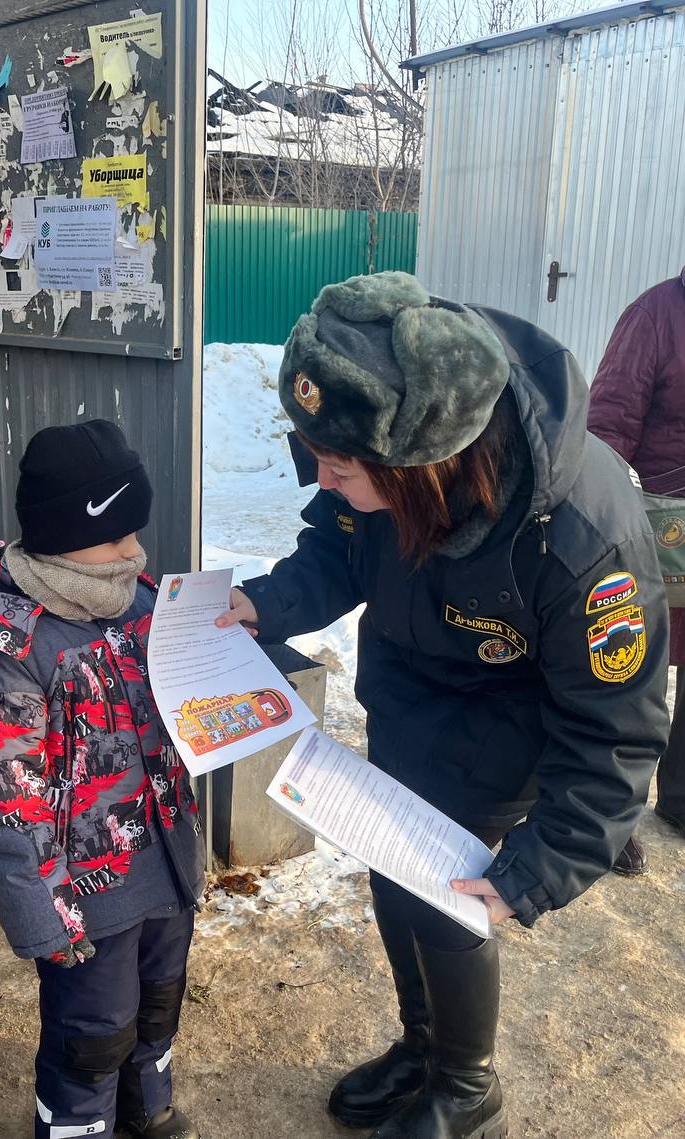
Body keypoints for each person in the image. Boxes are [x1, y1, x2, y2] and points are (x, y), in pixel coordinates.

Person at [217, 273, 669, 1139]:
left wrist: (533, 873)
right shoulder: (385, 446)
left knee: (447, 893)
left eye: (339, 469)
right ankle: (422, 1044)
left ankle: (466, 1087)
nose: (322, 480)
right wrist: (265, 603)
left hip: (509, 720)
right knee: (392, 864)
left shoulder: (582, 540)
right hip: (411, 689)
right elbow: (340, 544)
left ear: (423, 469)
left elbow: (615, 735)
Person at [0, 420, 206, 1139]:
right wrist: (43, 915)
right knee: (92, 1034)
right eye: (114, 537)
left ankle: (148, 1106)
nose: (134, 550)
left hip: (164, 862)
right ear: (62, 534)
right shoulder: (5, 649)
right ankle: (80, 1127)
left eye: (134, 531)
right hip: (83, 896)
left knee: (158, 1002)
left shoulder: (141, 602)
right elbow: (3, 804)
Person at [588, 268, 685, 875]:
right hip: (656, 531)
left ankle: (681, 799)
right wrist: (603, 519)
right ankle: (608, 815)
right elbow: (608, 425)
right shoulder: (656, 315)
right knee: (626, 670)